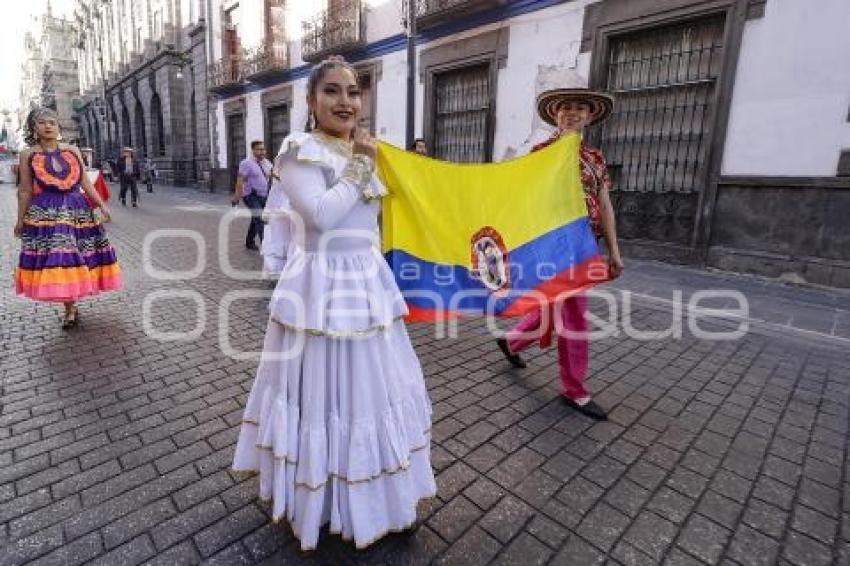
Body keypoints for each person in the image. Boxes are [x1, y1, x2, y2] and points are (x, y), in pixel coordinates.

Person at [231, 56, 435, 551]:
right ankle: (319, 502)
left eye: (353, 91)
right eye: (333, 91)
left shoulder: (362, 149)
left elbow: (376, 220)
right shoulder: (297, 151)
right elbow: (322, 216)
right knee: (323, 396)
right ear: (311, 100)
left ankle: (381, 499)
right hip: (320, 288)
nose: (346, 101)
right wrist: (363, 162)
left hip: (367, 284)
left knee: (371, 391)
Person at [496, 71, 624, 421]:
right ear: (555, 114)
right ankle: (575, 390)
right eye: (565, 107)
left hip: (586, 247)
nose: (572, 112)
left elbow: (605, 203)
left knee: (553, 307)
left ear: (590, 115)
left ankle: (511, 341)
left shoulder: (595, 159)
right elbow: (525, 202)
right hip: (554, 248)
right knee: (573, 316)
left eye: (580, 107)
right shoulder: (541, 153)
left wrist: (613, 250)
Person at [13, 108, 122, 328]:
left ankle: (72, 304)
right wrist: (20, 219)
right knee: (61, 257)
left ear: (58, 127)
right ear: (34, 128)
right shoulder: (28, 154)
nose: (48, 126)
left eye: (52, 122)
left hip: (77, 210)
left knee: (78, 256)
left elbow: (85, 182)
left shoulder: (72, 150)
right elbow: (25, 190)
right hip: (46, 214)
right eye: (42, 122)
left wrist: (102, 206)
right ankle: (70, 309)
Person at [231, 141, 272, 250]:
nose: (262, 152)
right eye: (259, 149)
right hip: (250, 196)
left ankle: (249, 242)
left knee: (256, 219)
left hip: (264, 195)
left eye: (263, 149)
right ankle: (268, 247)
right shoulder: (246, 163)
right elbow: (240, 181)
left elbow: (274, 175)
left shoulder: (266, 163)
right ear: (253, 150)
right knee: (260, 218)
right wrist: (236, 198)